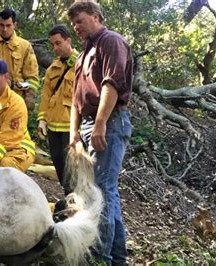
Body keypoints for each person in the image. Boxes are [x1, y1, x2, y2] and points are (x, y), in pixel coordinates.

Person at [67, 1, 133, 265]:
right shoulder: (83, 54)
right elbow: (75, 99)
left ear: (96, 16)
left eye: (80, 21)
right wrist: (73, 134)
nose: (76, 27)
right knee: (104, 193)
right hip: (86, 124)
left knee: (101, 192)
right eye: (73, 23)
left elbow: (112, 84)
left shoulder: (111, 42)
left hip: (109, 121)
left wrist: (101, 123)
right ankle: (116, 259)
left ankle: (98, 257)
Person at [37, 25, 78, 196]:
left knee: (72, 168)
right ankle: (68, 196)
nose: (55, 48)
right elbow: (46, 96)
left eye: (58, 43)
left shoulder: (81, 64)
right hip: (53, 125)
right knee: (58, 164)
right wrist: (42, 120)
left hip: (71, 126)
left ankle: (74, 200)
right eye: (52, 44)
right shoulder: (53, 68)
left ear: (68, 40)